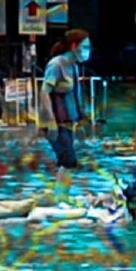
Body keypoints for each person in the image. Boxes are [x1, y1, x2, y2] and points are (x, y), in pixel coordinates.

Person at [41, 29, 91, 171]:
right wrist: (51, 122)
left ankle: (62, 183)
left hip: (67, 122)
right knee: (68, 161)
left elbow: (74, 94)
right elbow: (44, 93)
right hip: (56, 122)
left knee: (68, 162)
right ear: (74, 46)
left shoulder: (73, 66)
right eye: (85, 47)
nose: (87, 51)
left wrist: (82, 117)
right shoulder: (56, 65)